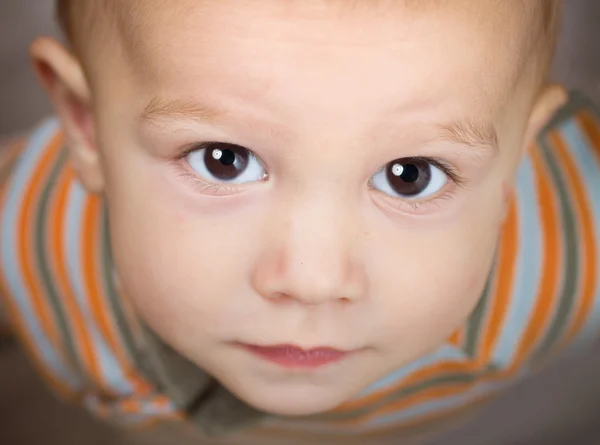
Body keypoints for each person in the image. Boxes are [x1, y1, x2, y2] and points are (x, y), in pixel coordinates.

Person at [0, 0, 598, 443]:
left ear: (521, 153)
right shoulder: (24, 240)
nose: (311, 280)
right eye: (224, 160)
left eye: (410, 173)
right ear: (86, 125)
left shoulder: (574, 264)